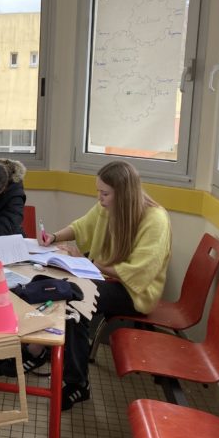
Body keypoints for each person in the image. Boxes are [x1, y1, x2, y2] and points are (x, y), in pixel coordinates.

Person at [40, 160, 171, 410]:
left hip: (135, 293)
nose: (100, 199)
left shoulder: (156, 220)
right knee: (66, 289)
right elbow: (82, 226)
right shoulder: (108, 206)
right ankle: (48, 353)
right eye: (99, 192)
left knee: (77, 299)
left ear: (124, 193)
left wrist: (89, 262)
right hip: (106, 277)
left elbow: (139, 274)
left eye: (105, 193)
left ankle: (77, 383)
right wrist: (54, 237)